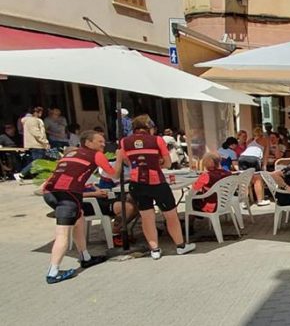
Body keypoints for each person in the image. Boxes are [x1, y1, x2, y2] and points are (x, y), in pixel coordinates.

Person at [40, 130, 123, 284]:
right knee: (62, 234)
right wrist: (119, 157)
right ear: (88, 143)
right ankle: (53, 272)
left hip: (50, 193)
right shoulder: (96, 155)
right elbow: (114, 175)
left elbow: (49, 181)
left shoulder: (71, 153)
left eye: (103, 141)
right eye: (99, 141)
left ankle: (85, 256)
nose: (103, 144)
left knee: (79, 218)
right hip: (68, 195)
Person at [120, 115, 195, 260]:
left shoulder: (124, 142)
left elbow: (127, 161)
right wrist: (157, 163)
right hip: (156, 181)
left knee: (147, 217)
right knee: (170, 215)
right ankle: (180, 246)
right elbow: (167, 163)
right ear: (149, 127)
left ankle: (154, 249)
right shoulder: (157, 140)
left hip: (136, 182)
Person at [190, 153, 234, 217]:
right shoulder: (228, 173)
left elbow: (193, 191)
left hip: (211, 206)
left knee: (191, 199)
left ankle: (190, 223)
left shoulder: (206, 175)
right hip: (225, 203)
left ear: (205, 164)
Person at [16, 106, 50, 182]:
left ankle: (42, 176)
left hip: (36, 143)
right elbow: (36, 132)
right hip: (37, 144)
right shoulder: (33, 121)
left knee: (40, 161)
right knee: (37, 161)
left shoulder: (31, 120)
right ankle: (21, 173)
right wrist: (45, 141)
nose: (41, 113)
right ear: (36, 112)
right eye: (40, 112)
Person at [239, 130, 270, 206]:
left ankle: (245, 202)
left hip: (242, 158)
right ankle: (260, 201)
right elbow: (266, 155)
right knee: (257, 180)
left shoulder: (249, 141)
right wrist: (264, 166)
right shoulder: (265, 140)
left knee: (245, 180)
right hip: (254, 158)